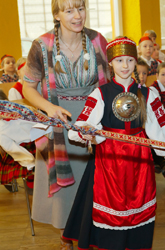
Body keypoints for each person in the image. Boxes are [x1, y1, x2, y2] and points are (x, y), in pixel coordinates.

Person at [62, 37, 165, 250]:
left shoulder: (148, 94)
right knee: (112, 215)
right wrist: (89, 134)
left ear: (136, 62)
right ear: (110, 63)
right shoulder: (101, 94)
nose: (125, 66)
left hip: (140, 162)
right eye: (119, 61)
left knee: (140, 214)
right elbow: (78, 129)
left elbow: (160, 131)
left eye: (129, 60)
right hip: (110, 162)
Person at [22, 0, 110, 249]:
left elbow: (109, 82)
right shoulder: (41, 45)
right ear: (57, 15)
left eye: (80, 8)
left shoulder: (97, 41)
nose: (77, 15)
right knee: (65, 188)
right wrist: (49, 108)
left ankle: (91, 233)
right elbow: (28, 87)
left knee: (93, 182)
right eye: (69, 10)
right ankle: (66, 238)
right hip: (58, 121)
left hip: (93, 120)